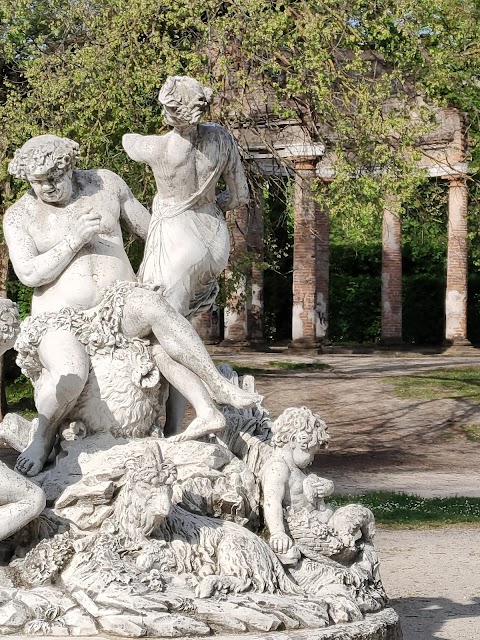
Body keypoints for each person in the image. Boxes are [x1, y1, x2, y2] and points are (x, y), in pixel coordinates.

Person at [4, 134, 261, 477]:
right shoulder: (21, 215)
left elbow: (151, 230)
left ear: (70, 167)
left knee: (156, 306)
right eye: (38, 182)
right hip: (61, 319)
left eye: (55, 178)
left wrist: (193, 230)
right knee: (70, 373)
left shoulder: (105, 184)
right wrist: (74, 239)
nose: (48, 188)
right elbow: (29, 273)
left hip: (118, 301)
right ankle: (43, 436)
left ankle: (212, 391)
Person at [123, 76, 250, 436]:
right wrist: (209, 206)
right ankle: (176, 427)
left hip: (178, 241)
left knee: (162, 339)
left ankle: (192, 416)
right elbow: (238, 196)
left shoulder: (156, 148)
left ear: (167, 110)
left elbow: (128, 141)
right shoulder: (222, 139)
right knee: (183, 331)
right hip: (215, 241)